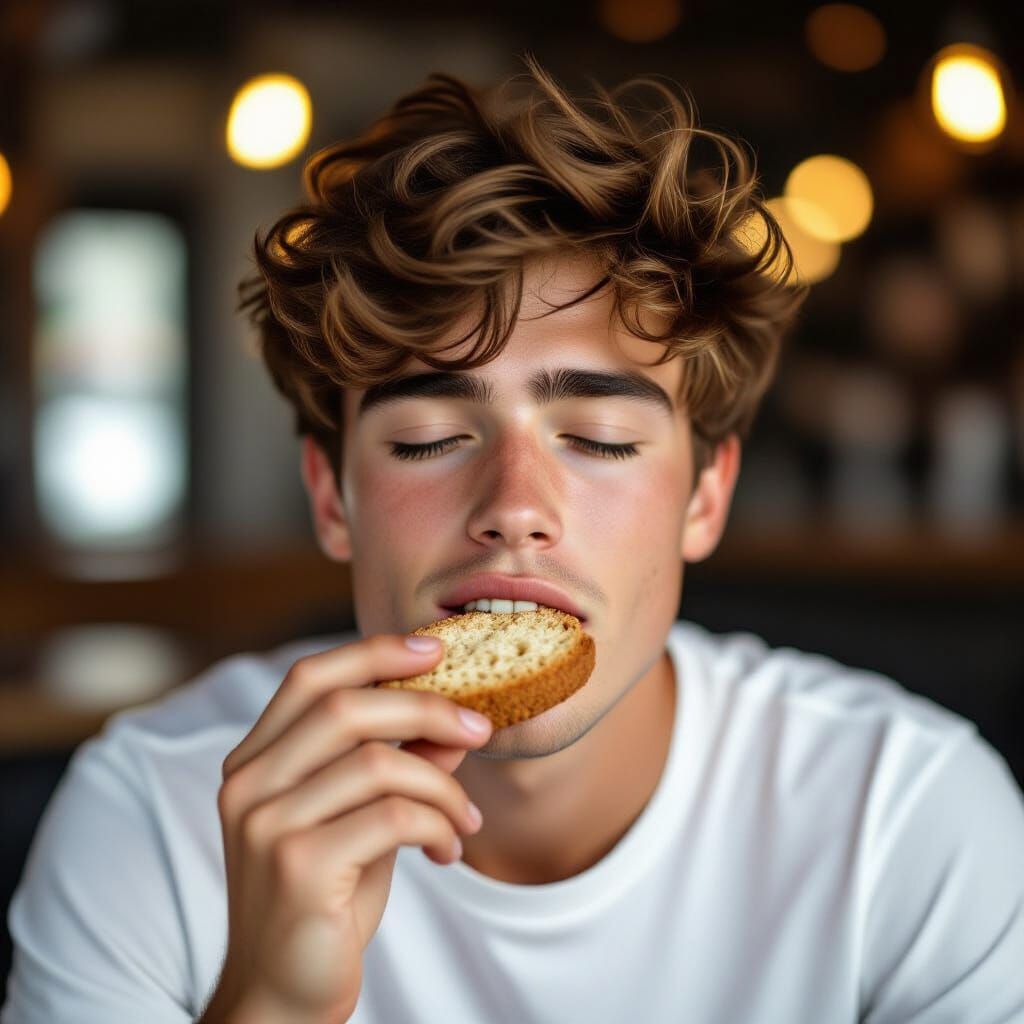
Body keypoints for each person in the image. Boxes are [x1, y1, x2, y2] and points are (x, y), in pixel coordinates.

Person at [4, 54, 1024, 1024]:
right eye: (429, 437)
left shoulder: (907, 817)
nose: (514, 503)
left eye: (599, 438)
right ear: (331, 497)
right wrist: (270, 998)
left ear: (705, 497)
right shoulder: (153, 808)